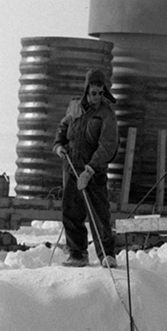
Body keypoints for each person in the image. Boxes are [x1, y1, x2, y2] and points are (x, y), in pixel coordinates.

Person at [53, 69, 119, 268]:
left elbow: (107, 145)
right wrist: (58, 145)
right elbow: (64, 128)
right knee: (71, 212)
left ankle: (107, 255)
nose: (97, 98)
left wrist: (90, 170)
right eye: (93, 93)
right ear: (86, 91)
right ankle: (77, 253)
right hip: (72, 167)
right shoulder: (74, 107)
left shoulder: (107, 115)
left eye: (100, 93)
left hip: (93, 172)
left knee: (99, 214)